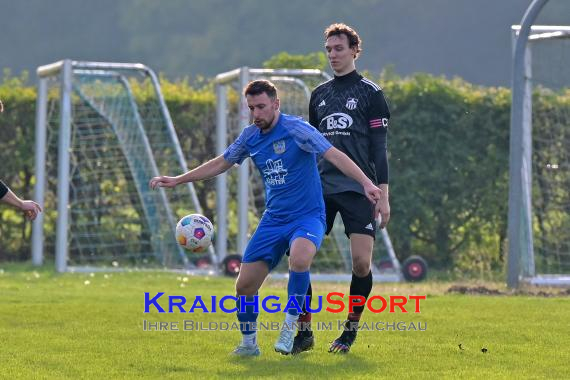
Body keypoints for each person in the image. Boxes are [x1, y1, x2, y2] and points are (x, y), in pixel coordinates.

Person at [149, 80, 382, 356]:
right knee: (245, 285)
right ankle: (249, 345)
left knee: (300, 258)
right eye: (251, 108)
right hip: (273, 220)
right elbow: (221, 162)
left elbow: (335, 155)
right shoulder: (250, 136)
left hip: (308, 216)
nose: (256, 114)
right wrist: (178, 179)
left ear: (275, 104)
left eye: (261, 107)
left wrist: (367, 183)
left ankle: (290, 325)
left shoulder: (297, 129)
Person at [292, 23, 391, 355]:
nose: (333, 54)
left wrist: (383, 194)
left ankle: (349, 332)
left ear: (354, 50)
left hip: (358, 190)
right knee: (298, 258)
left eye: (339, 48)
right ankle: (304, 333)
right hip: (318, 188)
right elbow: (310, 145)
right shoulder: (319, 95)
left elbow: (379, 149)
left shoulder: (371, 94)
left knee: (361, 264)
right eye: (329, 49)